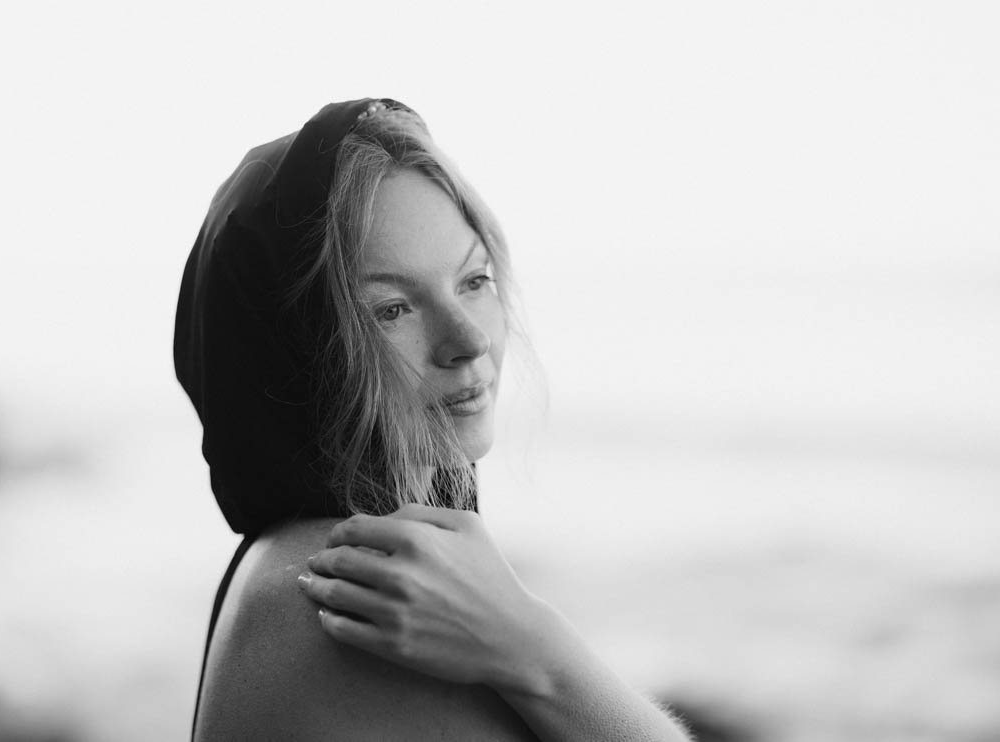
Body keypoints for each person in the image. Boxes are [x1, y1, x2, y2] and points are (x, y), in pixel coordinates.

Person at [174, 98, 690, 741]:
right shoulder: (357, 591)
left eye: (474, 280)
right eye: (392, 309)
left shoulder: (296, 561)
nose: (470, 340)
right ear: (293, 353)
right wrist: (539, 653)